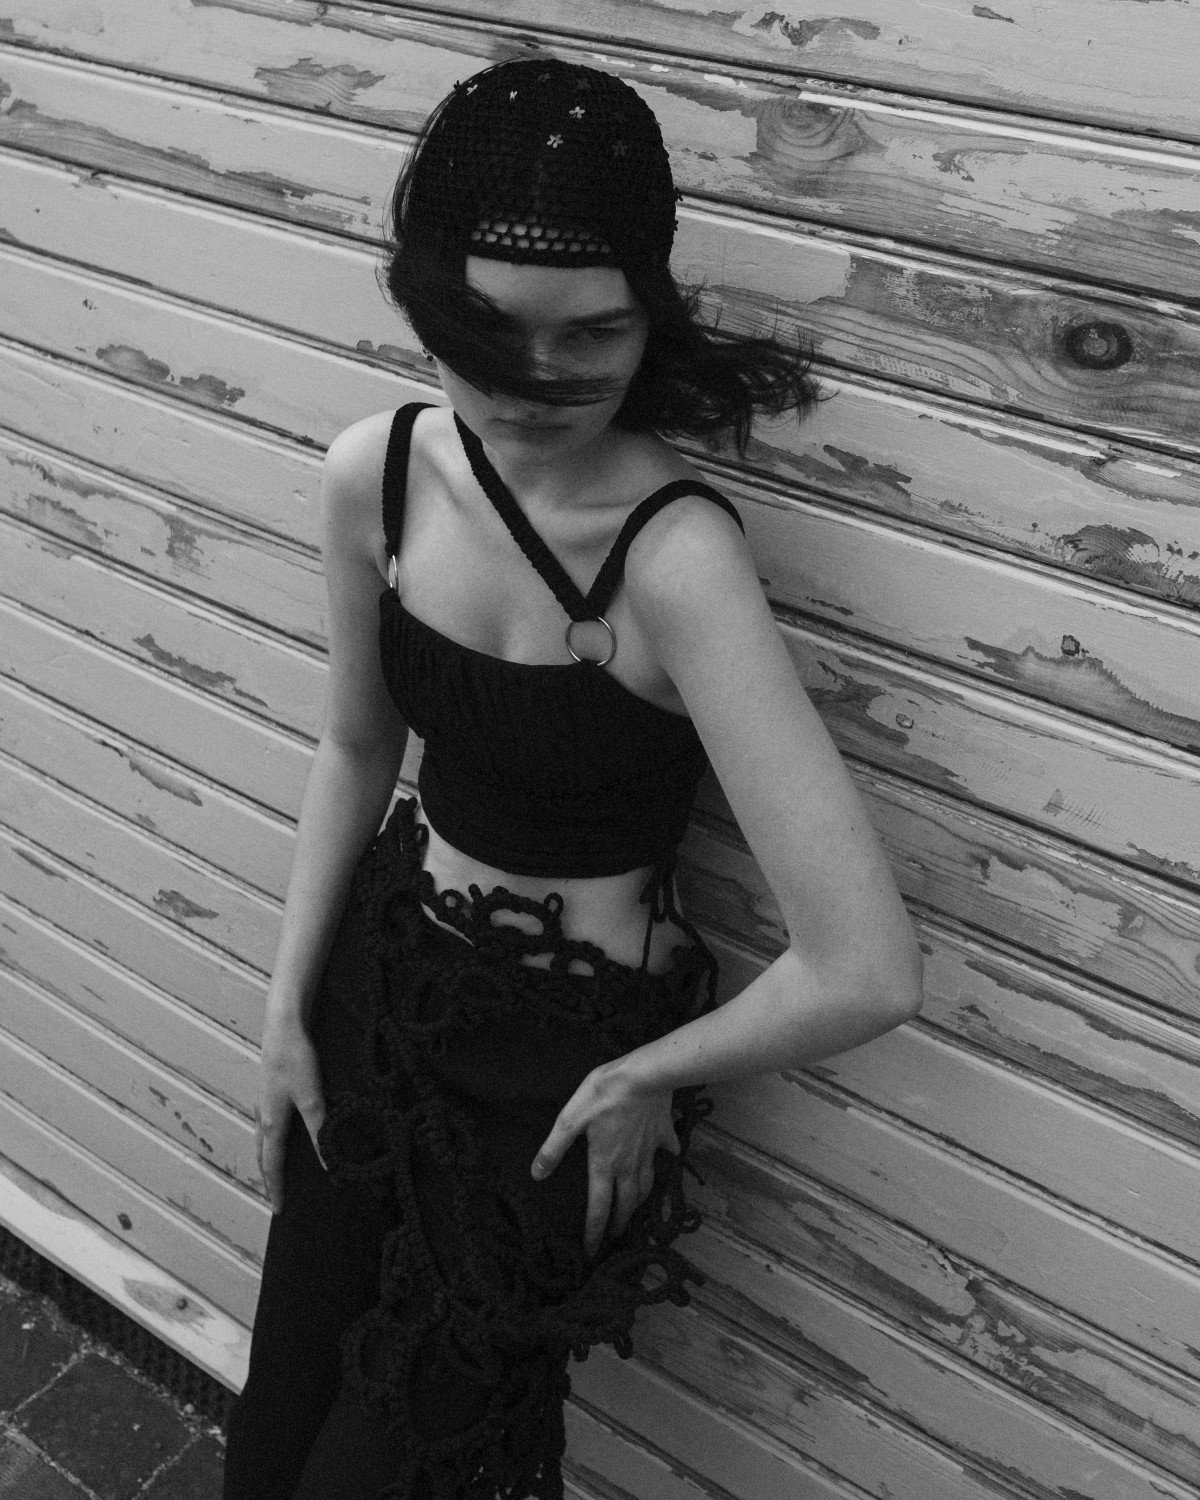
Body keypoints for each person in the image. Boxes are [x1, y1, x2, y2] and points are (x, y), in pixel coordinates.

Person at [222, 57, 923, 1500]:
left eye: (592, 333)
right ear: (427, 304)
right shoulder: (377, 475)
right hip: (376, 996)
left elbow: (865, 968)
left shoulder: (676, 558)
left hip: (550, 1087)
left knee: (395, 1468)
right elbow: (358, 745)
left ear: (649, 316)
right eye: (489, 333)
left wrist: (649, 1072)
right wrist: (286, 1006)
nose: (536, 384)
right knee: (279, 1416)